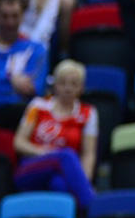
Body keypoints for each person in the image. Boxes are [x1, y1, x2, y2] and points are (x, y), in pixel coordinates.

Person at [13, 59, 97, 208]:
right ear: (55, 85)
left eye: (74, 84)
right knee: (65, 155)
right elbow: (19, 142)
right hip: (31, 167)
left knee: (59, 184)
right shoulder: (37, 106)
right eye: (63, 83)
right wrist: (43, 152)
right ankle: (92, 204)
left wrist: (83, 180)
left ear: (81, 88)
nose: (68, 88)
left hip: (65, 171)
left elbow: (88, 154)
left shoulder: (88, 113)